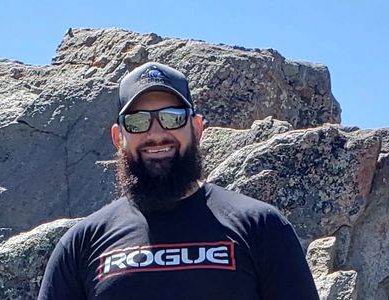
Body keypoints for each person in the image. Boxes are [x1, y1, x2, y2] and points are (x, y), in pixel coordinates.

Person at [37, 62, 319, 299]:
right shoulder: (81, 244)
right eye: (137, 122)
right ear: (118, 137)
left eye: (172, 118)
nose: (156, 133)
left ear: (196, 128)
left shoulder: (261, 227)